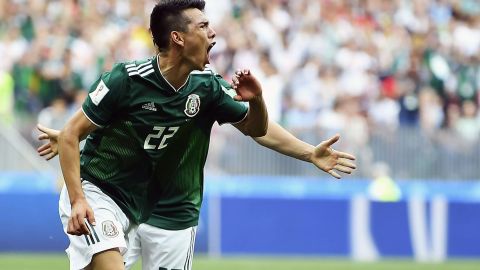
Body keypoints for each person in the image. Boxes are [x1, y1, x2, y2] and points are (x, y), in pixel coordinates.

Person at [39, 1, 356, 269]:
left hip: (170, 209)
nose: (213, 32)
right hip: (101, 193)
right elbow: (70, 134)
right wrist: (78, 198)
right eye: (203, 26)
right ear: (178, 37)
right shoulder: (127, 79)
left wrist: (267, 110)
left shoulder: (207, 87)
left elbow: (256, 128)